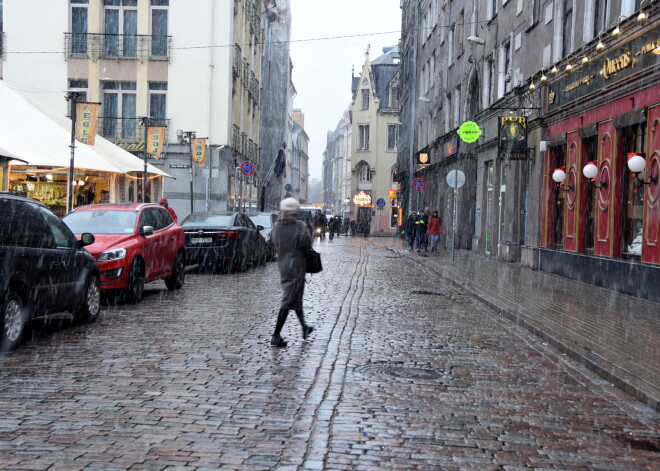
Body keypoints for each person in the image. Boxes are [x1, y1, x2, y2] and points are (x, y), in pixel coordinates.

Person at [270, 198, 314, 348]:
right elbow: (306, 244)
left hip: (284, 265)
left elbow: (275, 243)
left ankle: (304, 327)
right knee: (289, 300)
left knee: (295, 297)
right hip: (296, 266)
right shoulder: (300, 226)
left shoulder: (277, 226)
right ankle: (276, 335)